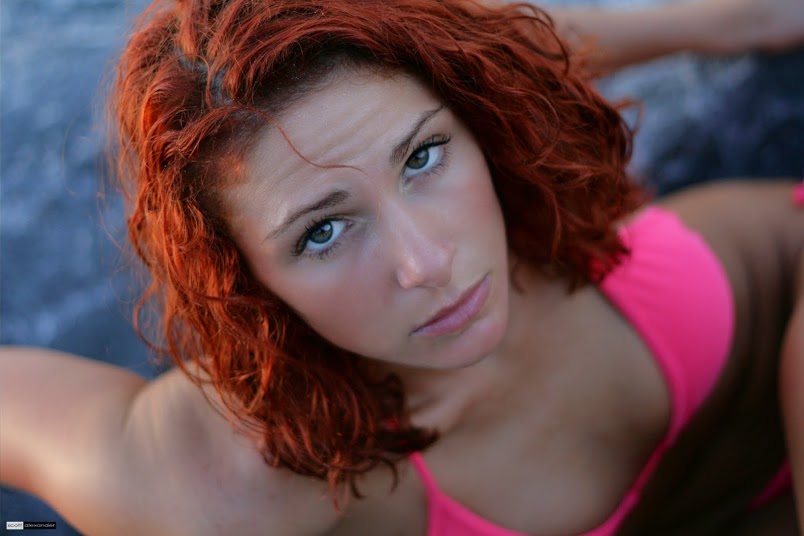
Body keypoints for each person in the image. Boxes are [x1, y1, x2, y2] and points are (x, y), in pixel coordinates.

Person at [1, 0, 803, 535]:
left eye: (422, 157)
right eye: (323, 232)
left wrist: (725, 20)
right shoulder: (214, 482)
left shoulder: (459, 95)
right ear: (246, 280)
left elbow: (489, 47)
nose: (426, 262)